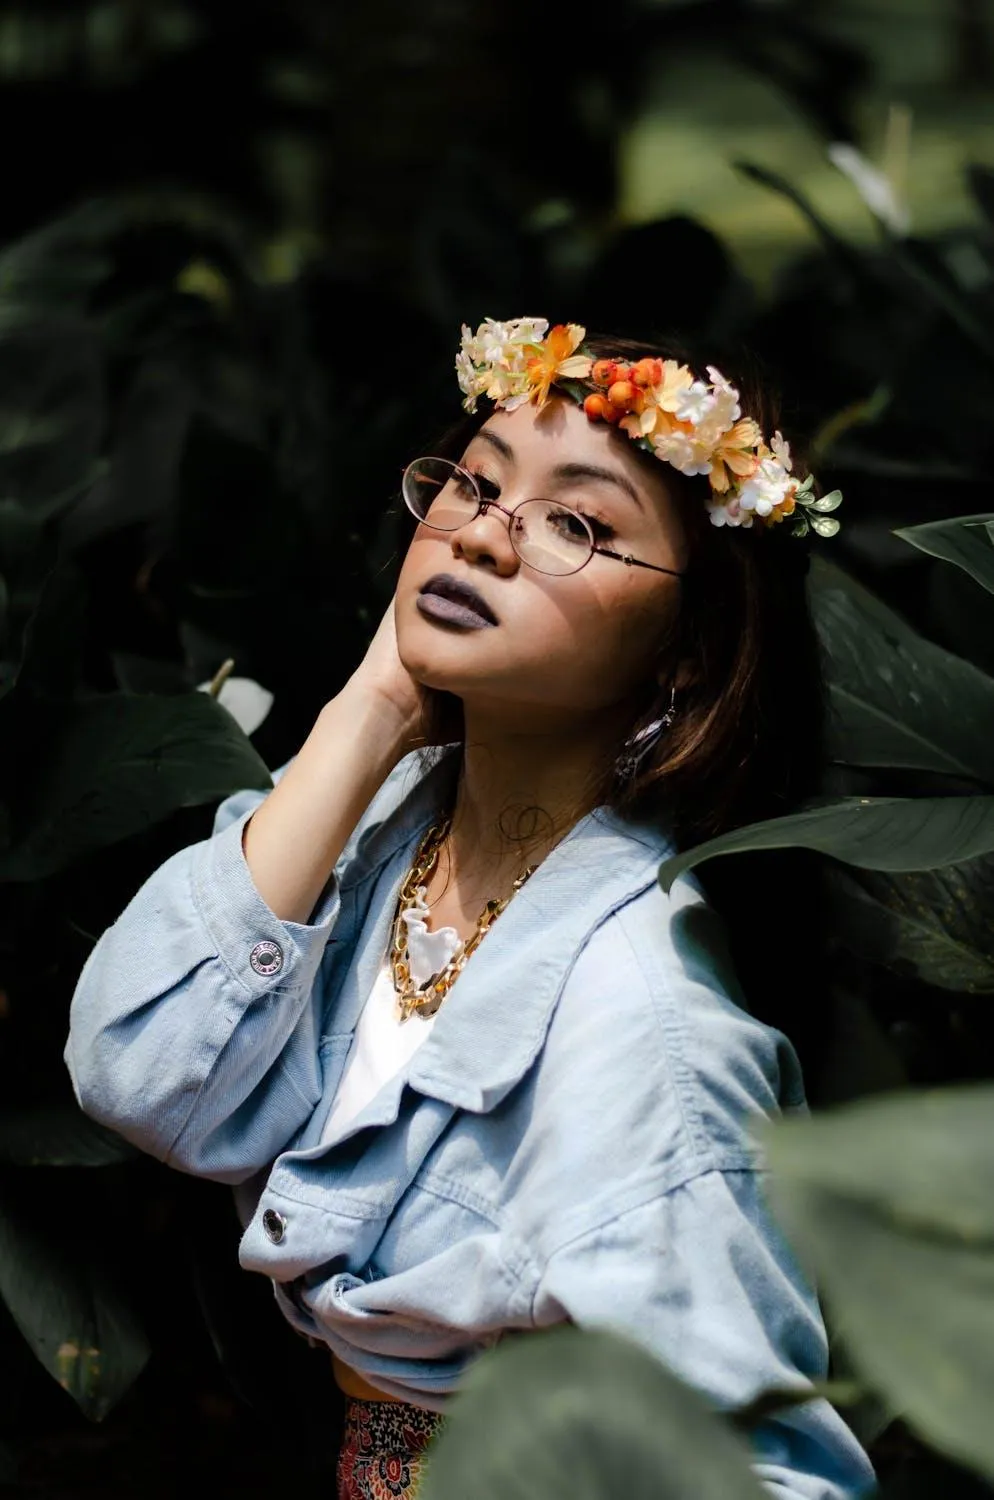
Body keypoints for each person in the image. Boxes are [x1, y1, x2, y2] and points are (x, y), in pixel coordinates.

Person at [66, 318, 873, 1499]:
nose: (486, 536)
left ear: (689, 653)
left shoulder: (647, 1024)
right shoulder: (387, 824)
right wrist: (380, 696)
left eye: (576, 523)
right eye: (477, 484)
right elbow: (143, 1078)